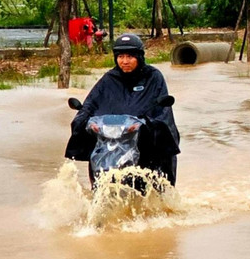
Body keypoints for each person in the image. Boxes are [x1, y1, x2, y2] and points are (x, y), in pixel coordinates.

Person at [65, 33, 180, 184]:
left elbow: (162, 112)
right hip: (112, 144)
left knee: (159, 165)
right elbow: (90, 104)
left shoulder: (153, 77)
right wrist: (85, 121)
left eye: (130, 57)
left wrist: (146, 124)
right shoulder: (109, 79)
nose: (124, 61)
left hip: (143, 142)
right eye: (120, 57)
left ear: (139, 57)